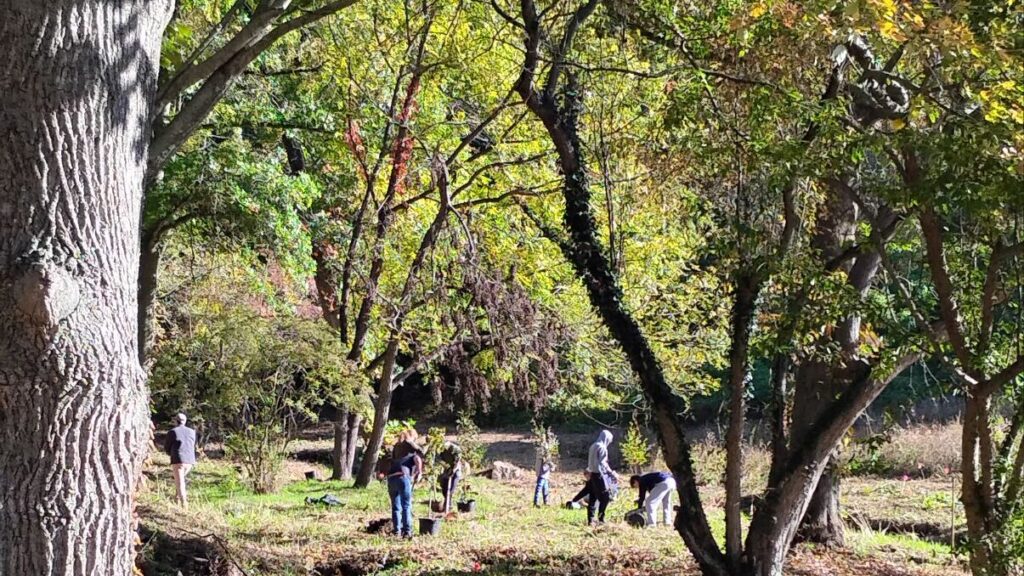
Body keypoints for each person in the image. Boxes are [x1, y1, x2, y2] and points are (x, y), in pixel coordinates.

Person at [381, 443, 423, 538]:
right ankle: (407, 531)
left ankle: (397, 531)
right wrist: (419, 473)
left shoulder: (396, 457)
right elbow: (418, 460)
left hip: (391, 479)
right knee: (406, 506)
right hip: (403, 477)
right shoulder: (412, 455)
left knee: (396, 507)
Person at [163, 413, 197, 508]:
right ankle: (177, 498)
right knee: (179, 480)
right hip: (190, 461)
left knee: (180, 482)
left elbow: (167, 447)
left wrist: (170, 453)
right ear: (185, 421)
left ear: (176, 421)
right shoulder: (192, 432)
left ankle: (184, 503)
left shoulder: (172, 432)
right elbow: (193, 444)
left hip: (178, 460)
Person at [585, 430, 616, 525]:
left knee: (593, 497)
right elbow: (603, 463)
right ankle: (601, 519)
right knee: (605, 497)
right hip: (599, 475)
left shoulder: (593, 446)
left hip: (591, 474)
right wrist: (611, 473)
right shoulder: (602, 447)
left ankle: (590, 520)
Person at [437, 441, 463, 514]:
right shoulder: (442, 449)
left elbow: (457, 462)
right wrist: (447, 468)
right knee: (444, 488)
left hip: (456, 471)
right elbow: (440, 460)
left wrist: (453, 471)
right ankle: (447, 503)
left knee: (451, 489)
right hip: (447, 469)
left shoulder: (456, 449)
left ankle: (448, 506)